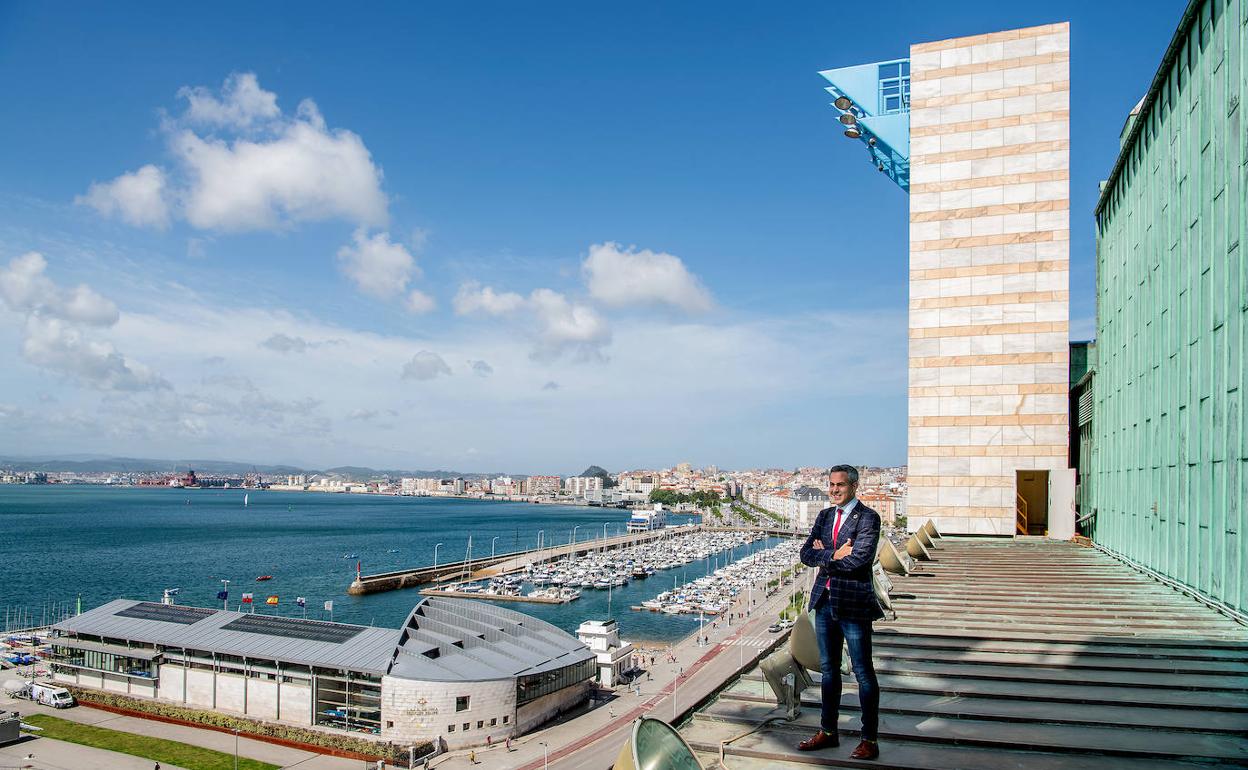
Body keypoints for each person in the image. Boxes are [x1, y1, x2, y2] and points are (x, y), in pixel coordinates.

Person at [796, 464, 883, 761]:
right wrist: (834, 554)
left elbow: (859, 561)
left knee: (862, 672)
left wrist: (825, 557)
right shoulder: (824, 515)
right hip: (823, 601)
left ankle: (869, 739)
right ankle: (828, 732)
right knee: (828, 670)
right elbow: (805, 554)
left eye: (840, 485)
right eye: (831, 485)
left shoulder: (869, 518)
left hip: (853, 604)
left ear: (854, 486)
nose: (834, 490)